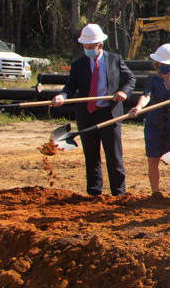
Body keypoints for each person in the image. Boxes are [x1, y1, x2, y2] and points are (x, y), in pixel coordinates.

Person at [51, 23, 135, 196]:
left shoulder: (115, 59)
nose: (88, 50)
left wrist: (123, 93)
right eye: (85, 47)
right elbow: (70, 86)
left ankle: (118, 193)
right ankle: (94, 192)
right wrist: (62, 96)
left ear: (100, 45)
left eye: (91, 47)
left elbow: (130, 79)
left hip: (109, 113)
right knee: (91, 156)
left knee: (114, 156)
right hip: (87, 114)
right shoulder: (78, 64)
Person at [129, 44, 170, 199]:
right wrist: (139, 106)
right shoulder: (152, 79)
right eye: (160, 64)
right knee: (153, 160)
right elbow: (146, 96)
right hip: (153, 125)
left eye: (165, 64)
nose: (162, 67)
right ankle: (156, 194)